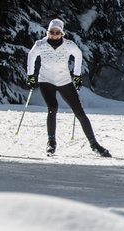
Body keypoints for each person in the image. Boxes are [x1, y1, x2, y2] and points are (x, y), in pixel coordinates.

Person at [26, 19, 111, 157]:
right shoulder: (40, 44)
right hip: (46, 80)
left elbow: (78, 55)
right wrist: (31, 75)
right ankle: (51, 143)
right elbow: (31, 56)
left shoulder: (68, 45)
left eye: (57, 32)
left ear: (62, 34)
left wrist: (77, 76)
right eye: (51, 32)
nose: (54, 35)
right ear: (47, 32)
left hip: (64, 81)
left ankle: (94, 144)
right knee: (52, 108)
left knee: (79, 112)